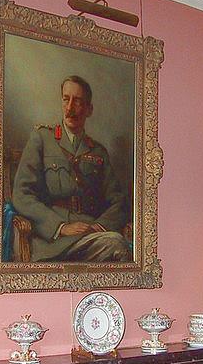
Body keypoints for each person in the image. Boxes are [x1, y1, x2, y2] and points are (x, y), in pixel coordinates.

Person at [11, 75, 131, 262]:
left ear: (89, 109)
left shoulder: (98, 151)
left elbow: (119, 201)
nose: (69, 108)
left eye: (78, 102)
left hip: (90, 236)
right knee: (117, 245)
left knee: (118, 246)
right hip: (51, 240)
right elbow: (21, 194)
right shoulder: (42, 139)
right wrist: (60, 227)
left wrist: (98, 226)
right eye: (66, 99)